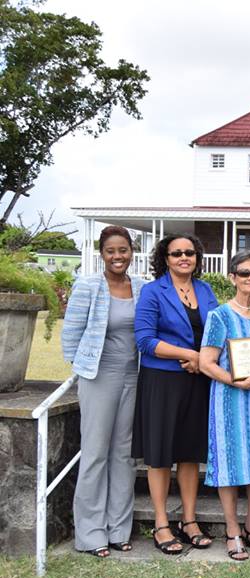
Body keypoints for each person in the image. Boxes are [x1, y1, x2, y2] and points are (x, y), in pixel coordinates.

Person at [61, 226, 145, 558]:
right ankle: (91, 533)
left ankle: (118, 529)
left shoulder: (140, 287)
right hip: (98, 376)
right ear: (102, 254)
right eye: (111, 250)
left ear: (131, 252)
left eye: (123, 250)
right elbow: (71, 332)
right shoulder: (88, 286)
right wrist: (78, 367)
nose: (117, 256)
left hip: (132, 377)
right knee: (95, 452)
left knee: (124, 455)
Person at [133, 234, 218, 555]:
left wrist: (202, 358)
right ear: (165, 258)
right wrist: (190, 354)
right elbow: (145, 339)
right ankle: (160, 523)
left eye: (190, 253)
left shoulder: (207, 290)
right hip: (162, 382)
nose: (184, 257)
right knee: (159, 454)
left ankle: (189, 520)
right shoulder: (153, 291)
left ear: (197, 257)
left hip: (198, 382)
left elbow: (217, 331)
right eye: (176, 253)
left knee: (189, 453)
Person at [198, 251, 250, 561]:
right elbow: (206, 363)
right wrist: (235, 381)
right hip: (229, 398)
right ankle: (232, 530)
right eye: (244, 273)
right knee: (230, 465)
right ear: (232, 277)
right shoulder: (219, 316)